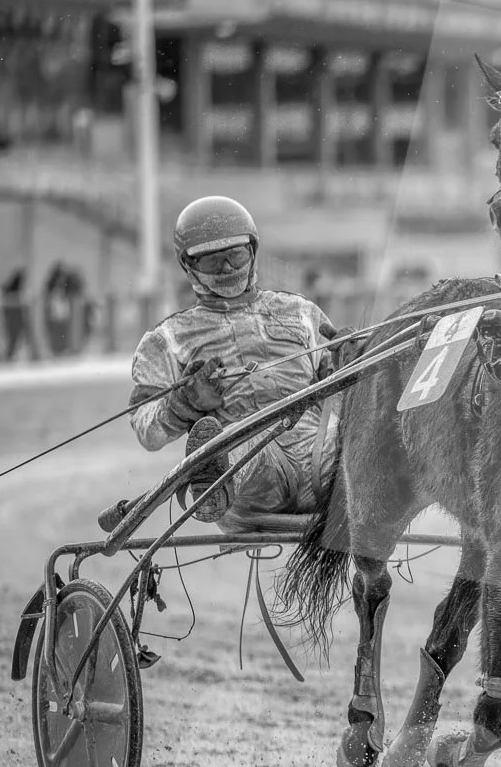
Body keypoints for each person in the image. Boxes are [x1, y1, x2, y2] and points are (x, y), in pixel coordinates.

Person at [128, 196, 342, 528]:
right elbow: (147, 431)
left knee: (360, 440)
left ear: (252, 252)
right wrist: (183, 404)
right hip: (252, 468)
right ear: (189, 266)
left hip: (318, 453)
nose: (227, 268)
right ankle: (213, 480)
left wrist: (348, 362)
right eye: (214, 262)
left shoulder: (300, 312)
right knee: (236, 442)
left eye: (235, 255)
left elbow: (341, 388)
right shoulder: (167, 340)